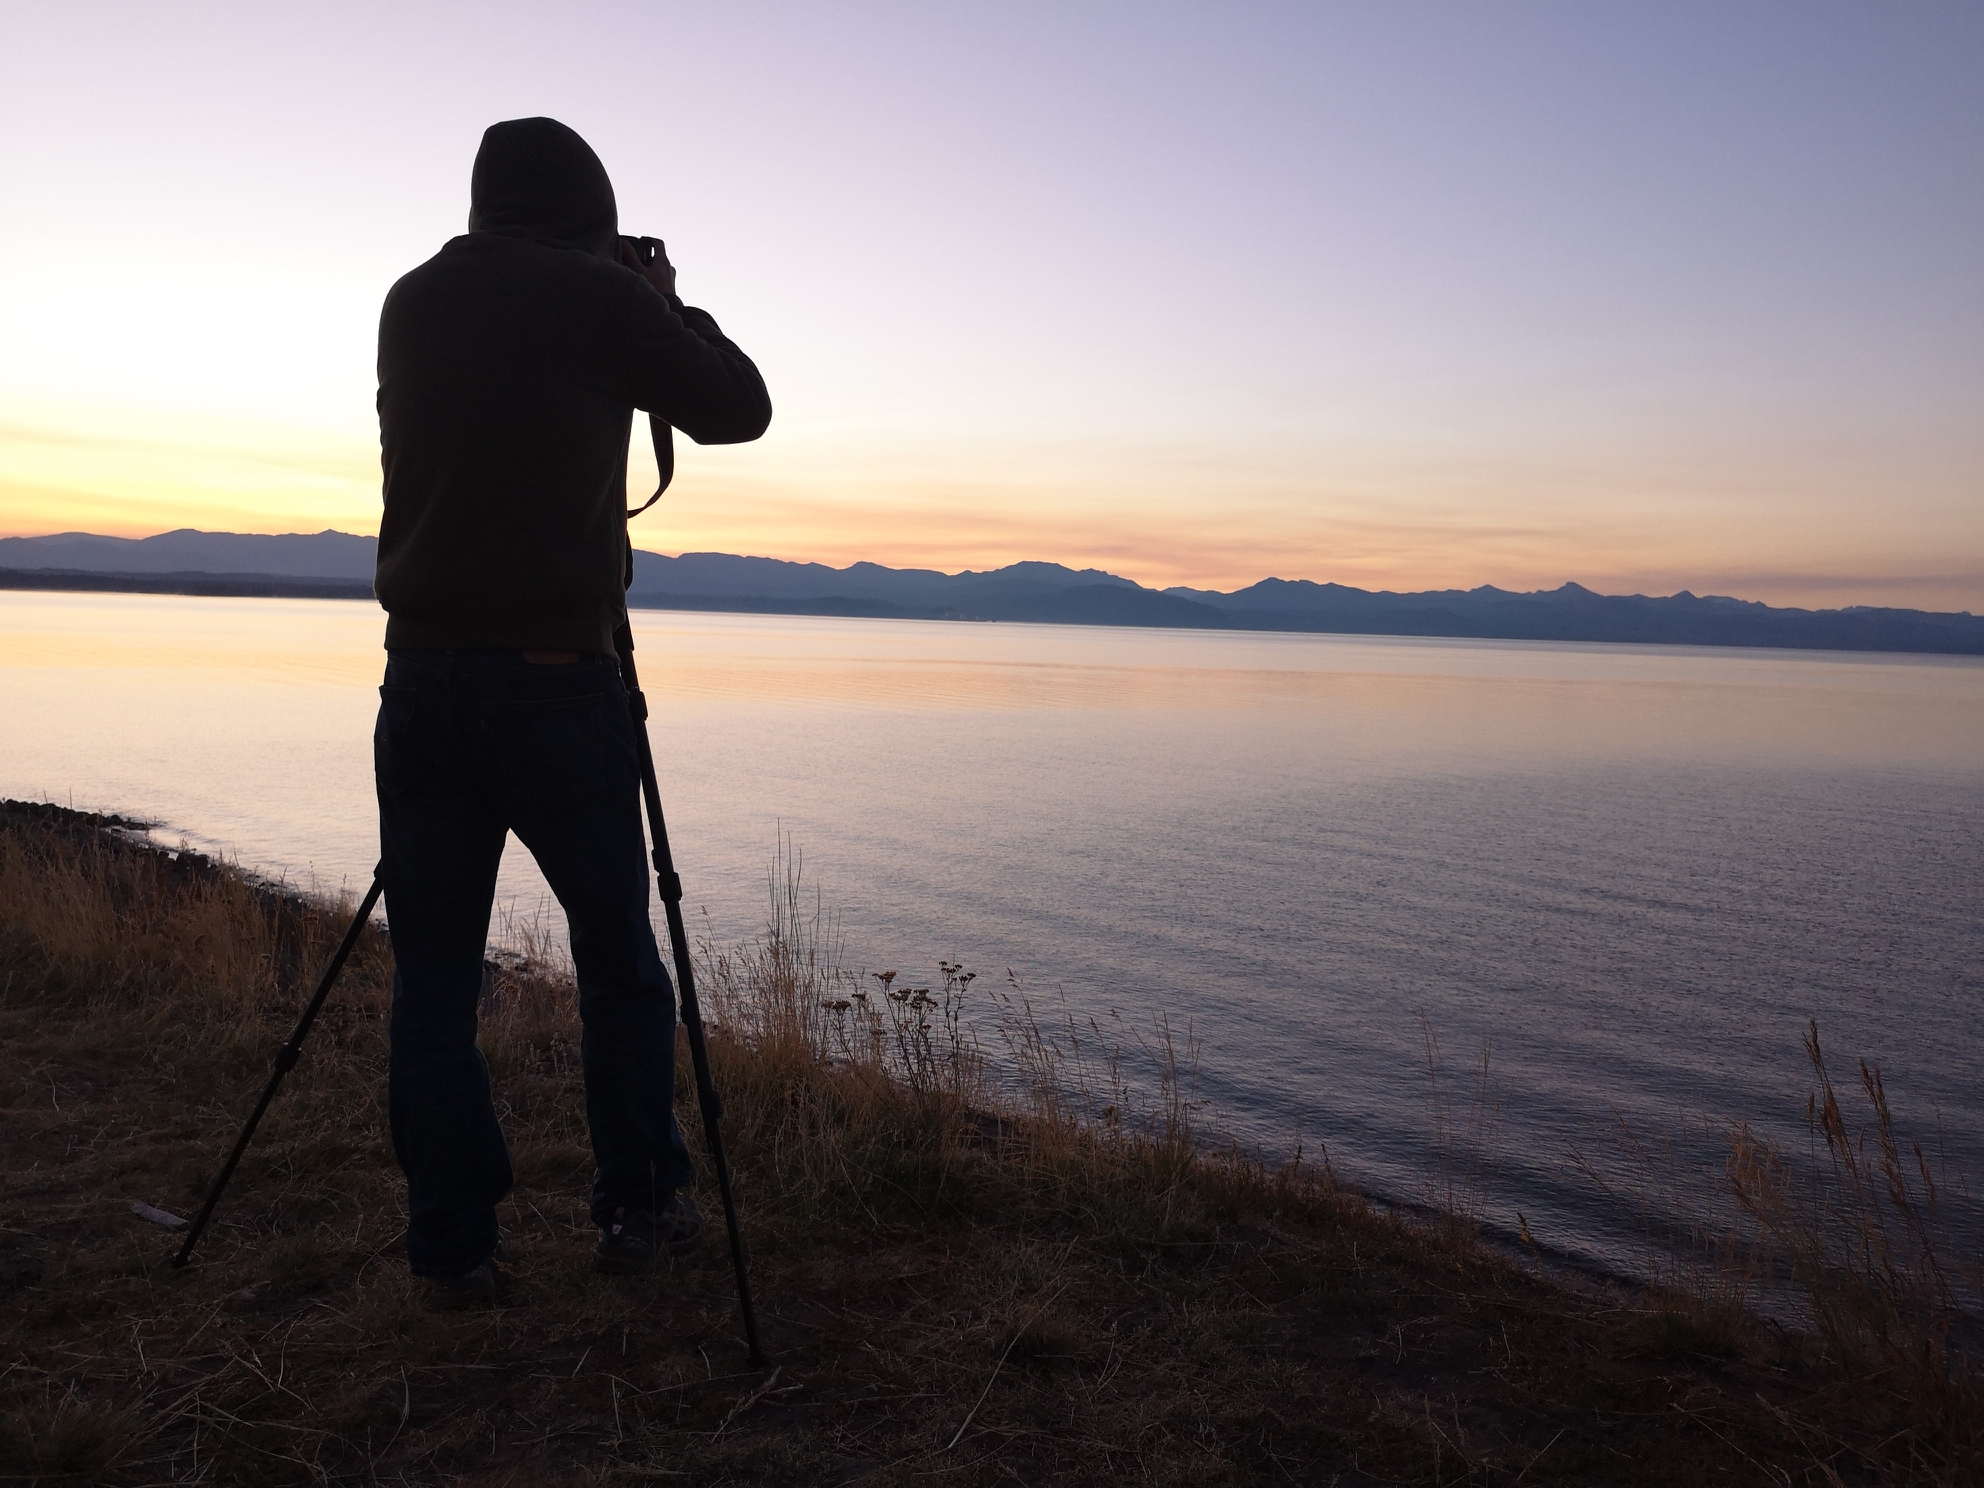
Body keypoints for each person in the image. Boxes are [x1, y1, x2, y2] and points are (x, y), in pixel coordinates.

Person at [371, 116, 771, 1308]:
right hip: (557, 683)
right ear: (585, 210)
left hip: (423, 684)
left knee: (433, 984)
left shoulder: (411, 298)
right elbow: (737, 407)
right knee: (617, 961)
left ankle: (451, 1248)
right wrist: (662, 298)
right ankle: (640, 1202)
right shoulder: (601, 299)